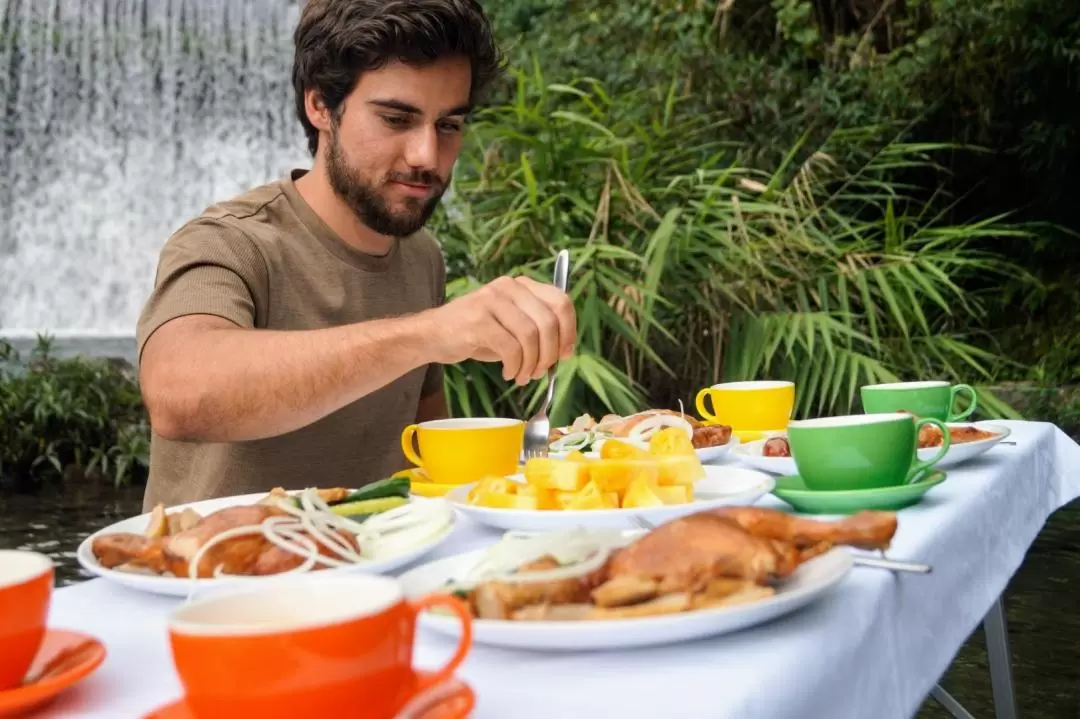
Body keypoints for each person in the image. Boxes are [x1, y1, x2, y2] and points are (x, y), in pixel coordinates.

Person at [135, 0, 576, 510]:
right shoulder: (229, 241)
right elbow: (179, 395)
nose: (426, 157)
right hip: (216, 581)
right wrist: (430, 332)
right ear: (320, 105)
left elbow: (429, 455)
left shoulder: (421, 255)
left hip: (377, 575)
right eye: (396, 119)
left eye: (449, 125)